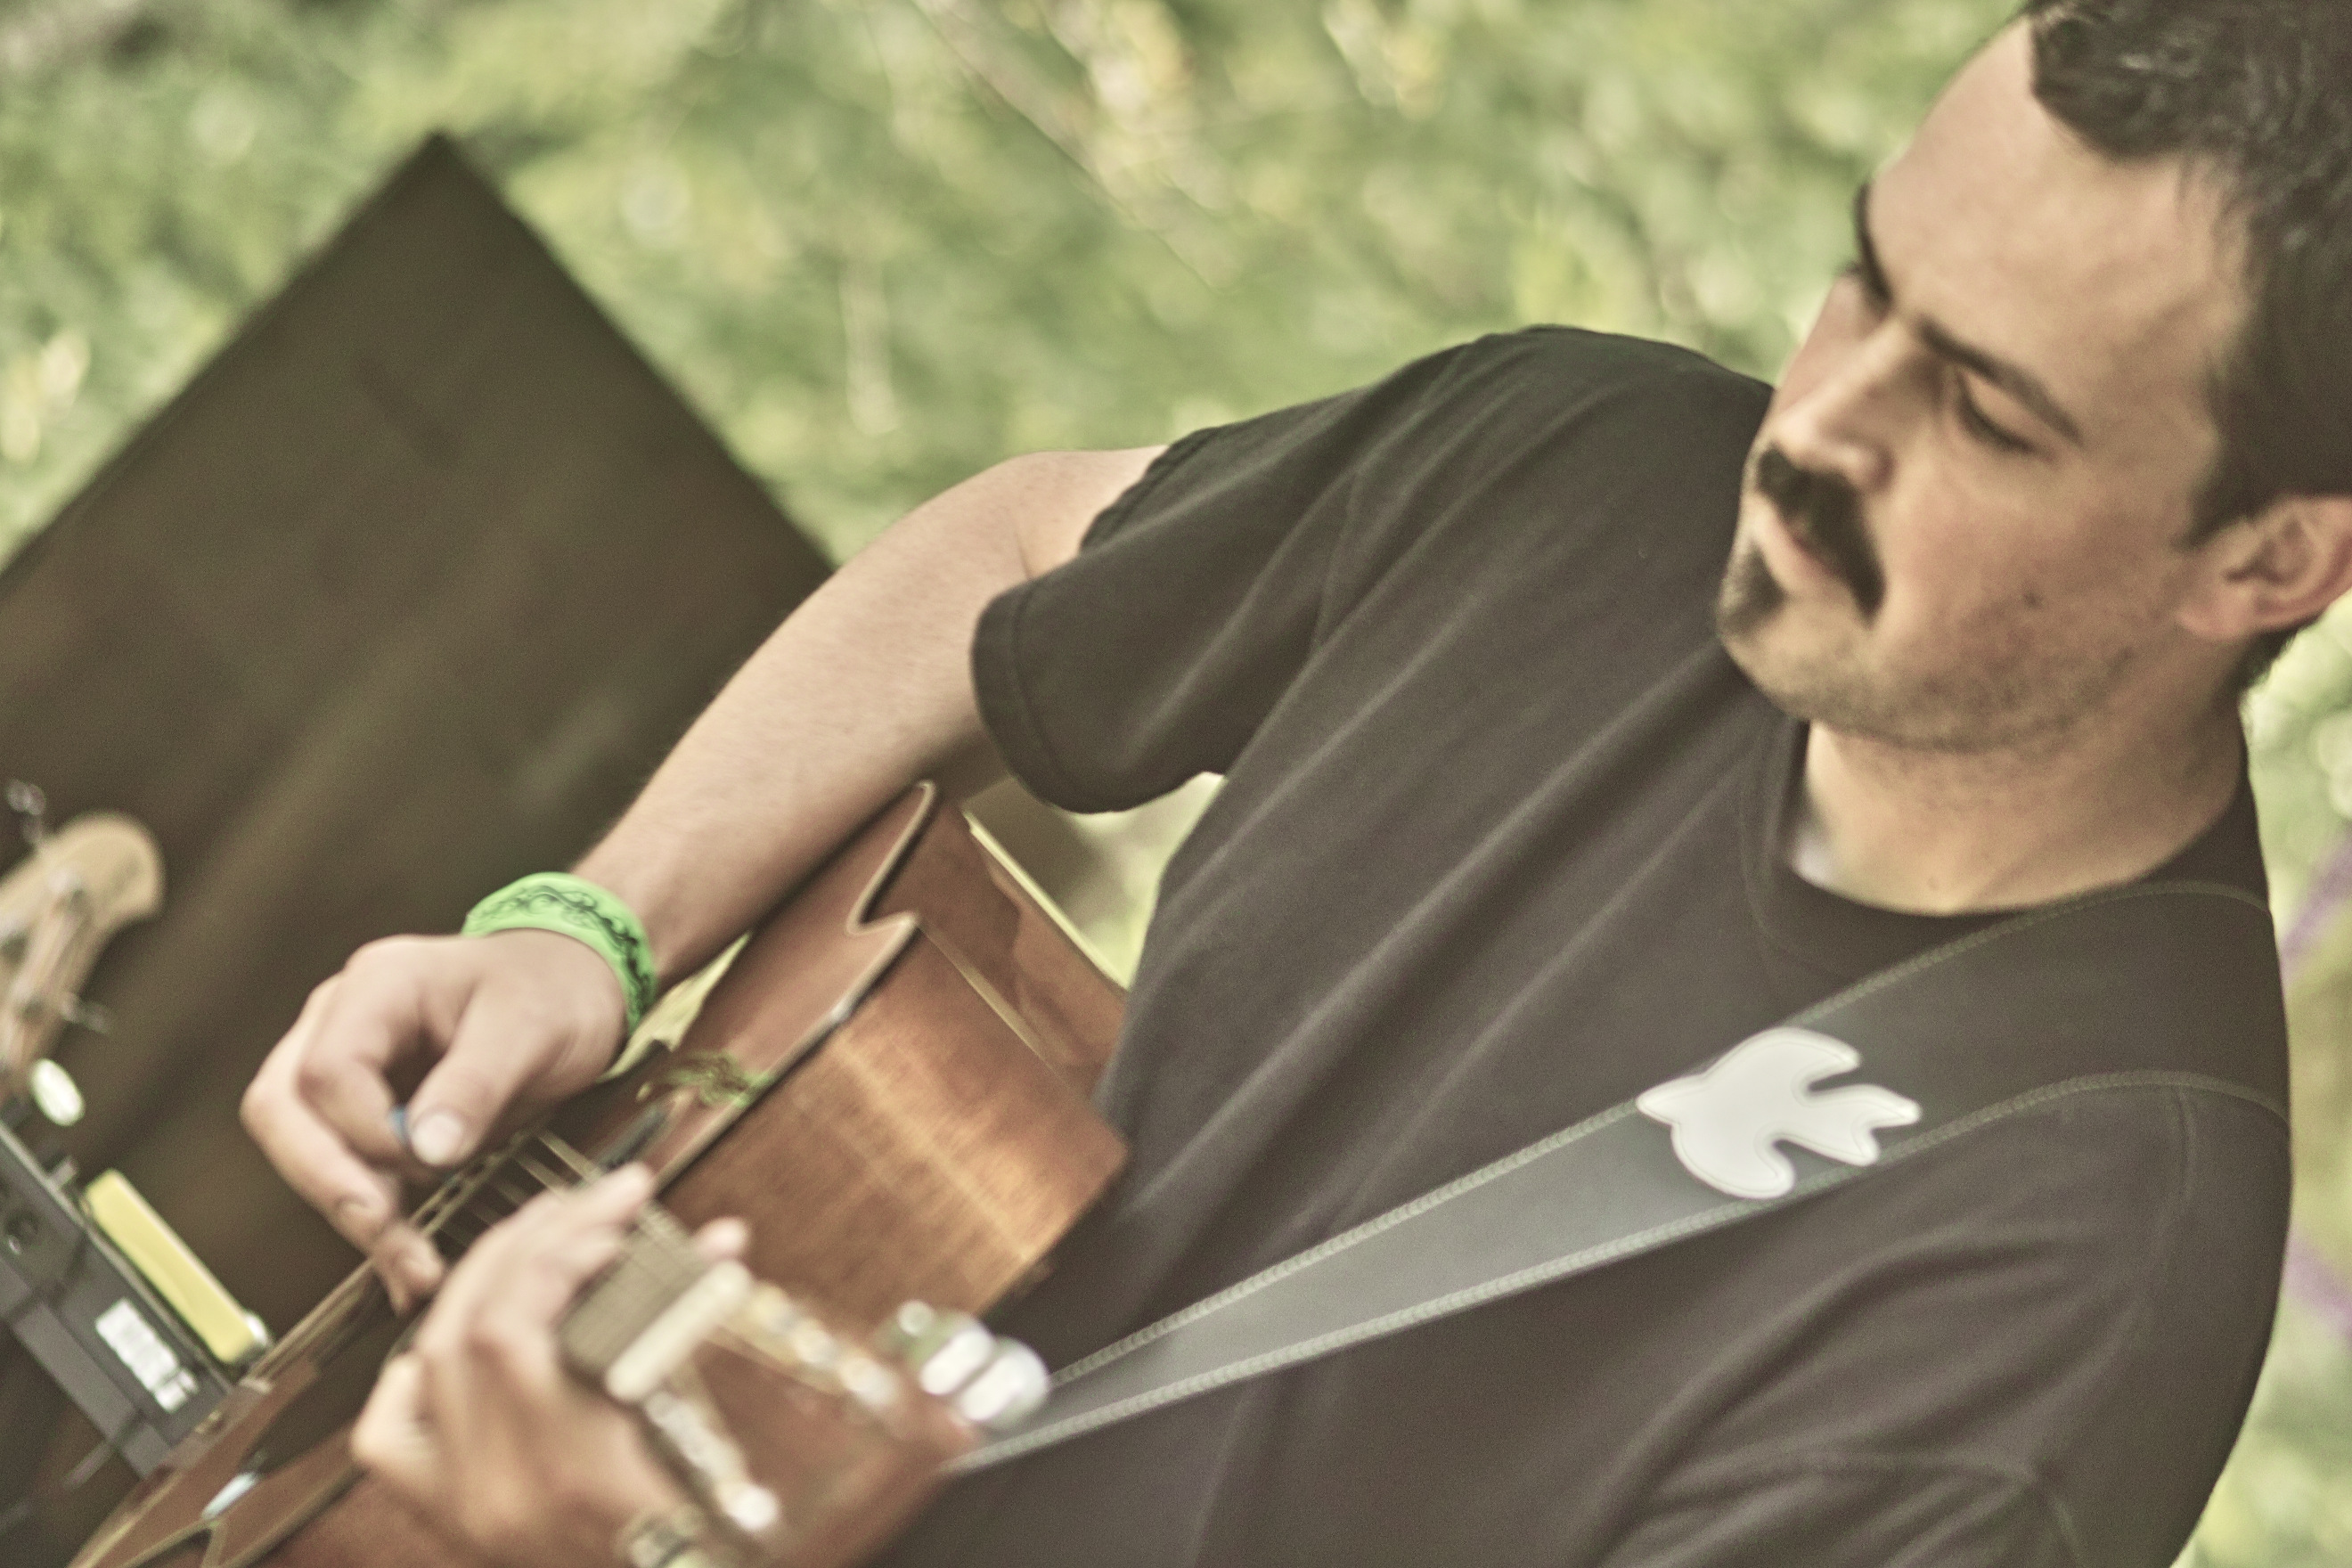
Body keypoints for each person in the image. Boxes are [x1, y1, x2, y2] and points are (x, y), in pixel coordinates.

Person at [239, 2, 2352, 1564]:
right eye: (1866, 278)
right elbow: (1014, 557)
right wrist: (591, 931)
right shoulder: (1581, 473)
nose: (1817, 427)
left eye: (1982, 411)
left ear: (2271, 558)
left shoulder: (2067, 1277)